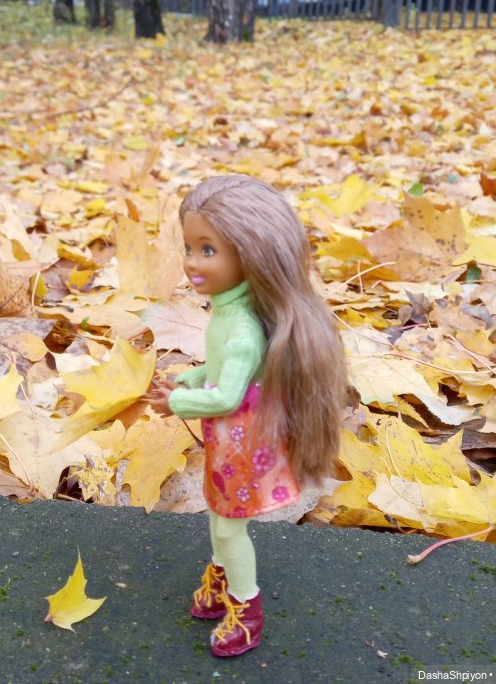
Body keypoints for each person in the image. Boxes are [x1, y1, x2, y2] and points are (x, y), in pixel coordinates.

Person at [147, 174, 347, 659]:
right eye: (190, 247)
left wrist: (178, 402)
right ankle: (221, 580)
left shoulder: (240, 329)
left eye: (208, 250)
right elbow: (223, 374)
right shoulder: (230, 311)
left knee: (228, 524)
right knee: (219, 516)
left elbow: (227, 395)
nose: (193, 262)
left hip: (242, 439)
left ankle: (245, 607)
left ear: (250, 255)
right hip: (229, 439)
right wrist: (197, 376)